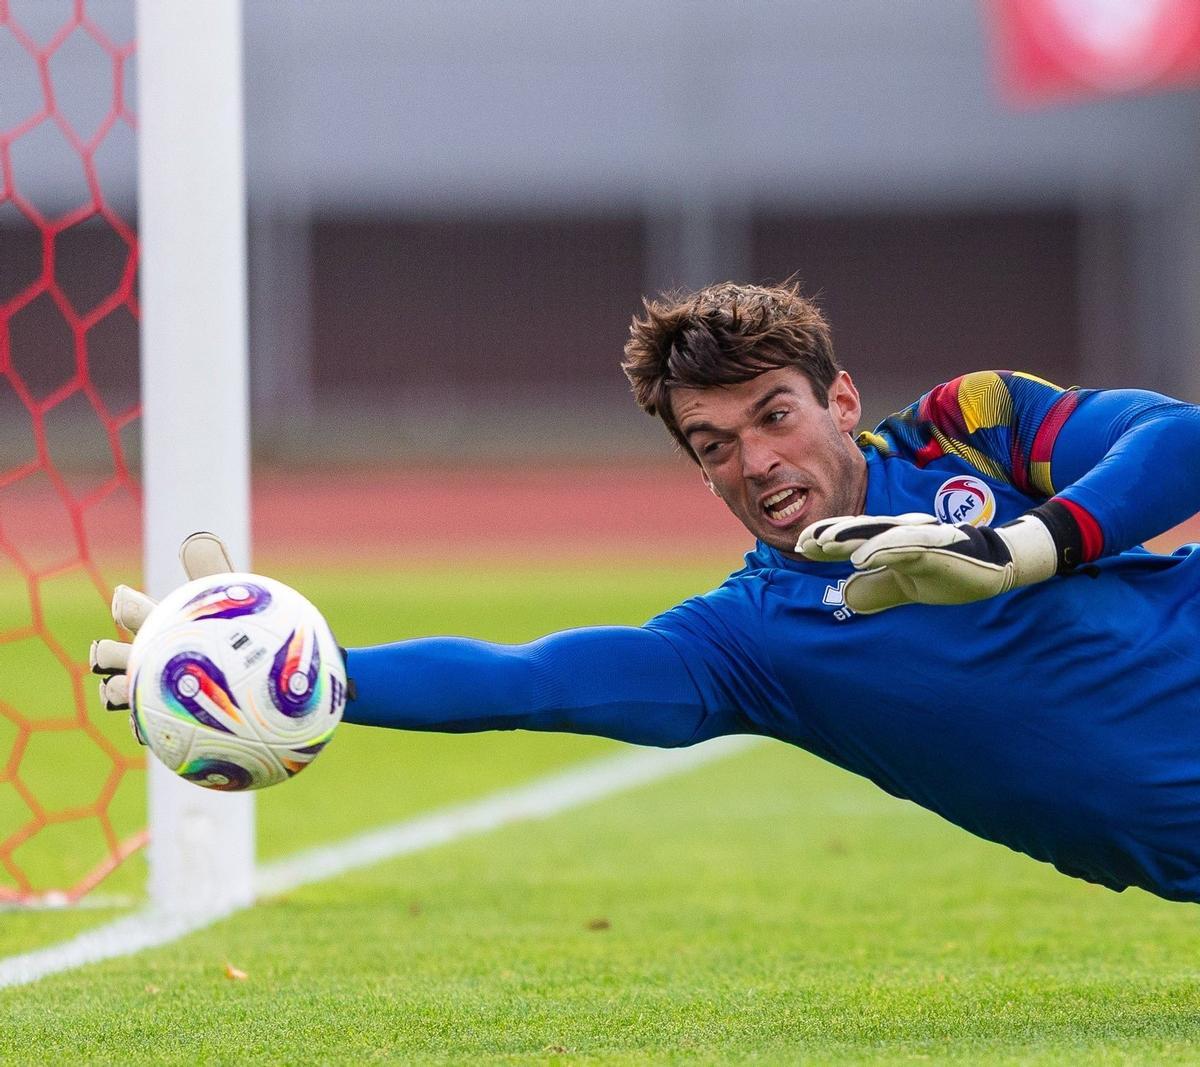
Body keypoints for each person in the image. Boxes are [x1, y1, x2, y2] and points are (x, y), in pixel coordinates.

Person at [92, 281, 1200, 903]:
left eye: (775, 415)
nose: (756, 461)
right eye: (714, 444)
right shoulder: (750, 643)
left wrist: (1023, 546)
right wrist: (290, 671)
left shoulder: (968, 428)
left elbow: (1178, 439)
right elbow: (533, 679)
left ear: (840, 400)